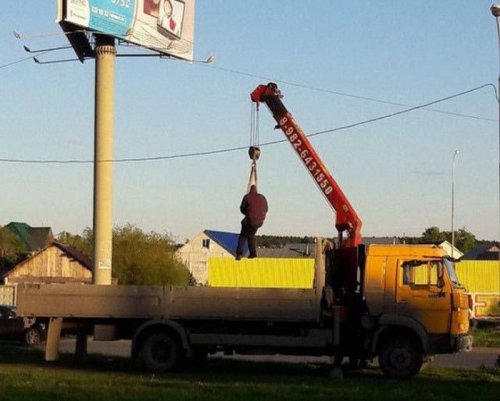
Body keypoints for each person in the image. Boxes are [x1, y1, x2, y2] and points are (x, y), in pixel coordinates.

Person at [236, 185, 268, 260]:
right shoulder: (262, 197)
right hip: (260, 221)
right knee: (251, 234)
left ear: (250, 190)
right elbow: (266, 209)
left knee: (243, 234)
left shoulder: (247, 197)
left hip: (250, 220)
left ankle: (239, 253)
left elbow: (242, 209)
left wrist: (247, 213)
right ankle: (253, 253)